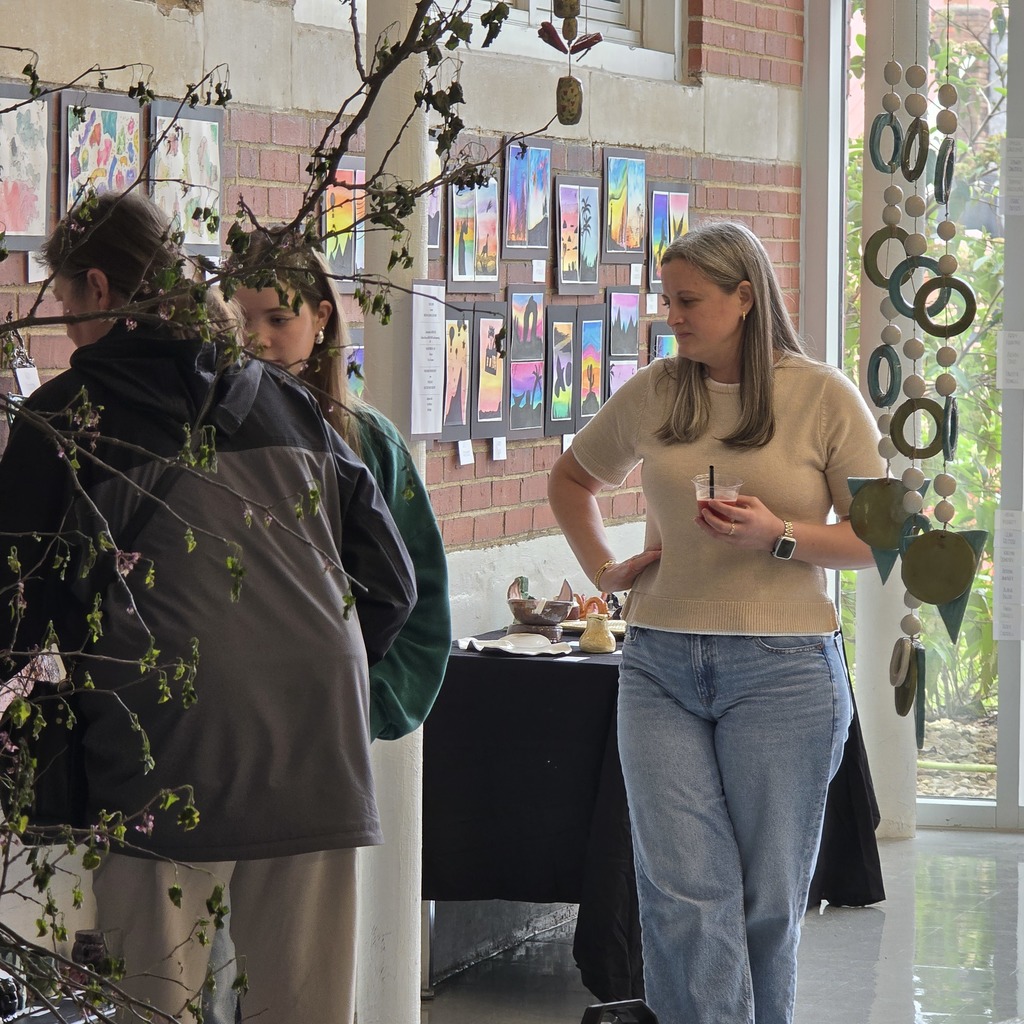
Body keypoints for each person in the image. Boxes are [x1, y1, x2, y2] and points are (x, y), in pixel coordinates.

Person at [0, 190, 416, 1024]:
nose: (67, 325)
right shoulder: (285, 399)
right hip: (316, 741)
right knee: (304, 1009)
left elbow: (20, 607)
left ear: (96, 286)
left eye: (68, 305)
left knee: (153, 1001)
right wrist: (306, 668)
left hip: (165, 743)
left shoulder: (68, 419)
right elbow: (393, 581)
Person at [547, 221, 884, 1024]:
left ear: (744, 297)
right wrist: (607, 571)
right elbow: (571, 479)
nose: (672, 316)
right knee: (681, 894)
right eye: (665, 300)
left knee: (765, 901)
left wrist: (780, 534)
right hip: (659, 662)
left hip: (784, 669)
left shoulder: (823, 395)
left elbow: (882, 538)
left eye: (688, 300)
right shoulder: (658, 391)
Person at [230, 227, 451, 743]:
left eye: (279, 319)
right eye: (241, 320)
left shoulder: (370, 443)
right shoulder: (204, 440)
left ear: (322, 318)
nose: (257, 339)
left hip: (327, 727)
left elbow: (423, 600)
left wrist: (364, 709)